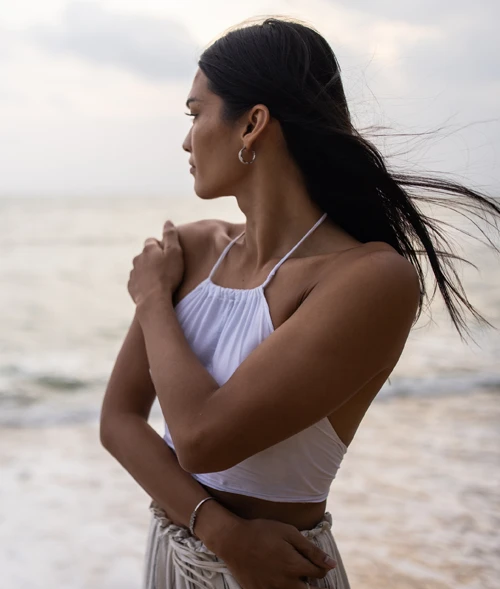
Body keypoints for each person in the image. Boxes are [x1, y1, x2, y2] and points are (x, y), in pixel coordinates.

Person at [100, 16, 500, 589]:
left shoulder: (368, 279)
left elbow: (200, 439)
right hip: (172, 559)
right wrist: (222, 532)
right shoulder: (190, 248)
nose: (186, 139)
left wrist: (151, 301)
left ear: (252, 124)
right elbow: (117, 421)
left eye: (196, 113)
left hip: (277, 576)